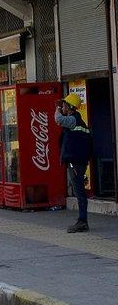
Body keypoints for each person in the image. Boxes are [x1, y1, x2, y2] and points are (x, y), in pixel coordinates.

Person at [55, 93, 93, 233]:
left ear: (70, 107)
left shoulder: (73, 120)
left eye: (64, 104)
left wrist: (57, 109)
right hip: (78, 161)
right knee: (79, 191)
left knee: (79, 192)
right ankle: (82, 221)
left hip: (75, 162)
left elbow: (58, 119)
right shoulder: (78, 121)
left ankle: (82, 222)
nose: (62, 107)